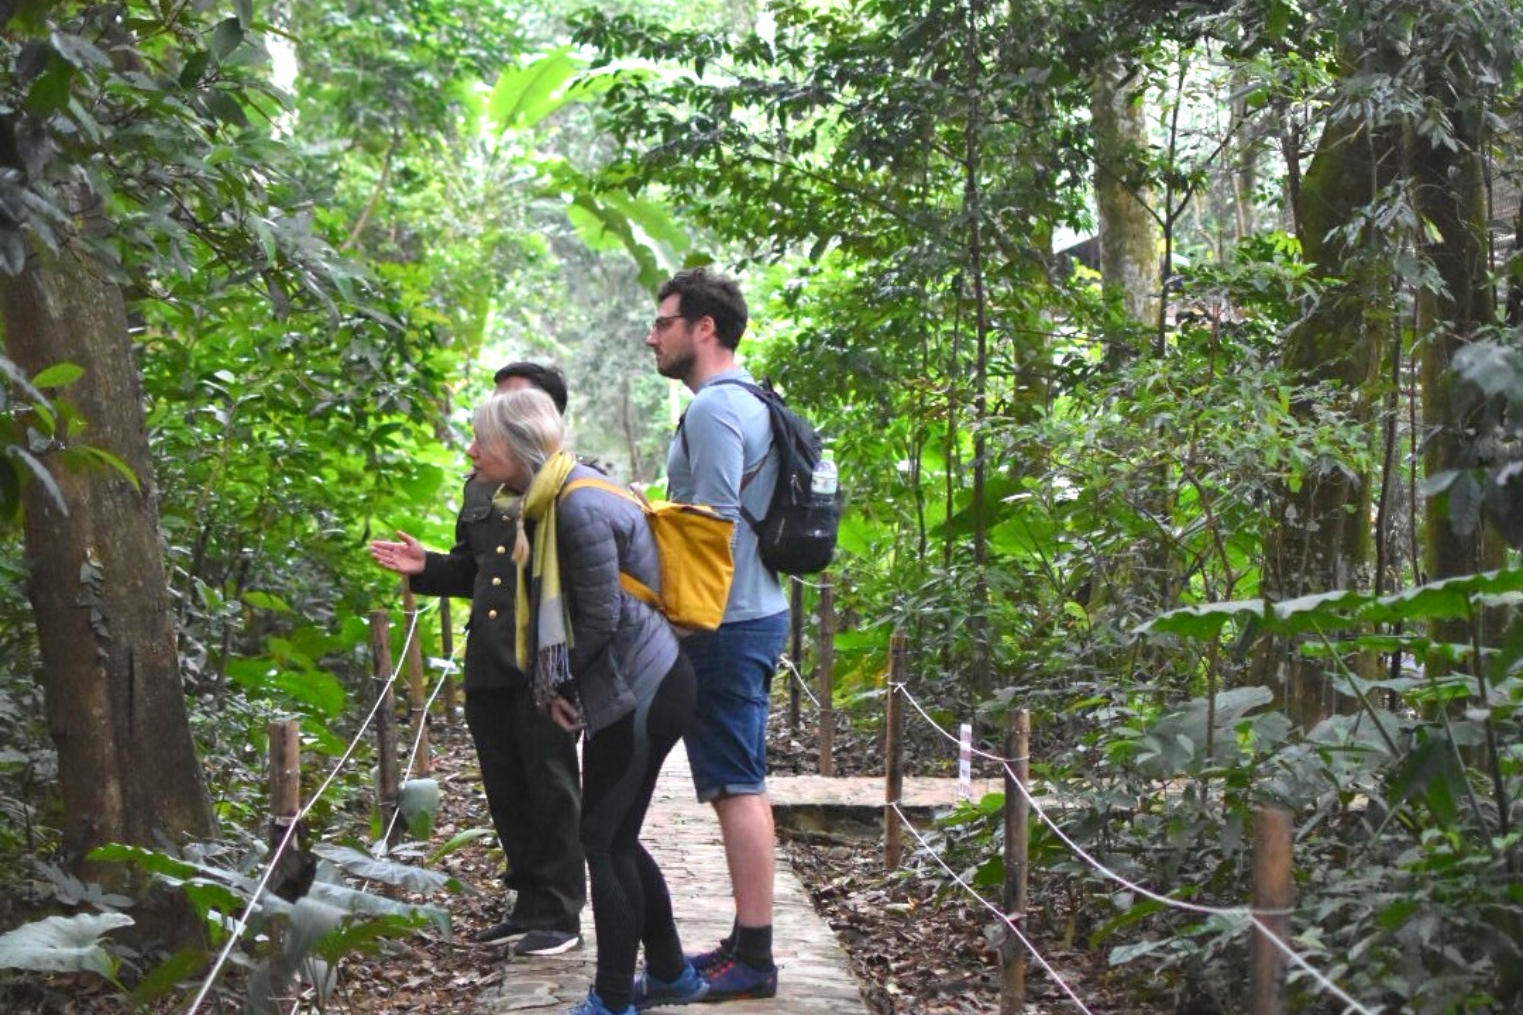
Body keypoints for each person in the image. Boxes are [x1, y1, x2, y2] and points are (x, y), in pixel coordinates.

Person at [477, 387, 707, 1015]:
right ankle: (669, 975)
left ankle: (611, 998)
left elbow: (601, 618)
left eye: (480, 441)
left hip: (646, 686)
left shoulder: (574, 505)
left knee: (601, 840)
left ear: (514, 447)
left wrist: (554, 685)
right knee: (618, 836)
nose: (472, 452)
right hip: (634, 684)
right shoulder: (554, 497)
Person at [368, 363, 585, 957]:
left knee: (551, 783)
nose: (494, 425)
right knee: (506, 786)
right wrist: (427, 567)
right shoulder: (479, 486)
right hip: (490, 657)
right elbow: (476, 570)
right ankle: (527, 904)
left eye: (513, 409)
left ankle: (561, 911)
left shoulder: (574, 488)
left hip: (545, 662)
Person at [644, 268, 787, 1001]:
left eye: (663, 321)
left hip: (728, 620)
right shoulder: (754, 398)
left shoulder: (713, 411)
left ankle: (754, 957)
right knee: (736, 777)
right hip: (748, 609)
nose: (652, 334)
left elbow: (710, 523)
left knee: (737, 783)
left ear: (704, 327)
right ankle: (742, 938)